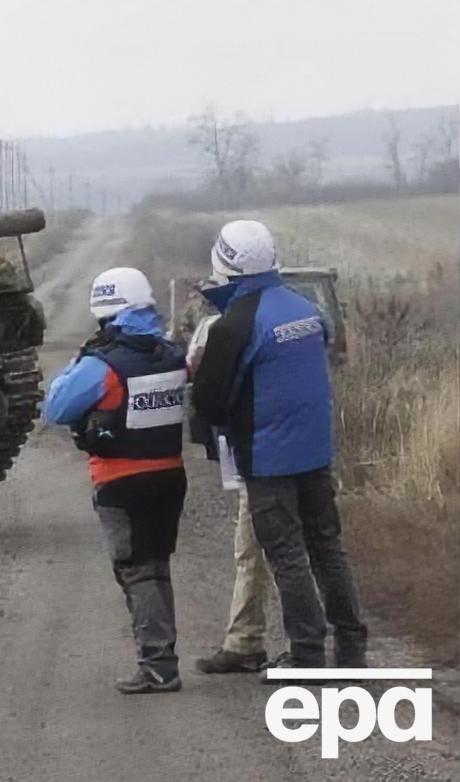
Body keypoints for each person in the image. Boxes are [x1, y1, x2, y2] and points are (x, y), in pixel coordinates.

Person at [192, 220, 367, 673]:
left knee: (287, 556)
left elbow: (208, 401)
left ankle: (307, 654)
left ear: (224, 263)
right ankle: (351, 649)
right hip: (316, 452)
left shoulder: (234, 325)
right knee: (327, 548)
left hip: (267, 458)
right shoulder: (306, 310)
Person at [45, 267, 189, 694]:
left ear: (104, 315)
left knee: (136, 571)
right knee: (156, 567)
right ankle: (162, 657)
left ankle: (159, 666)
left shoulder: (101, 366)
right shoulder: (172, 354)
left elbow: (55, 408)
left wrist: (79, 362)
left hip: (121, 482)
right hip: (170, 476)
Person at [187, 307, 274, 674]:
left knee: (255, 550)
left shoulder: (219, 327)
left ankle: (247, 642)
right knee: (310, 548)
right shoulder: (299, 316)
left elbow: (199, 380)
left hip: (258, 456)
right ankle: (341, 643)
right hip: (294, 451)